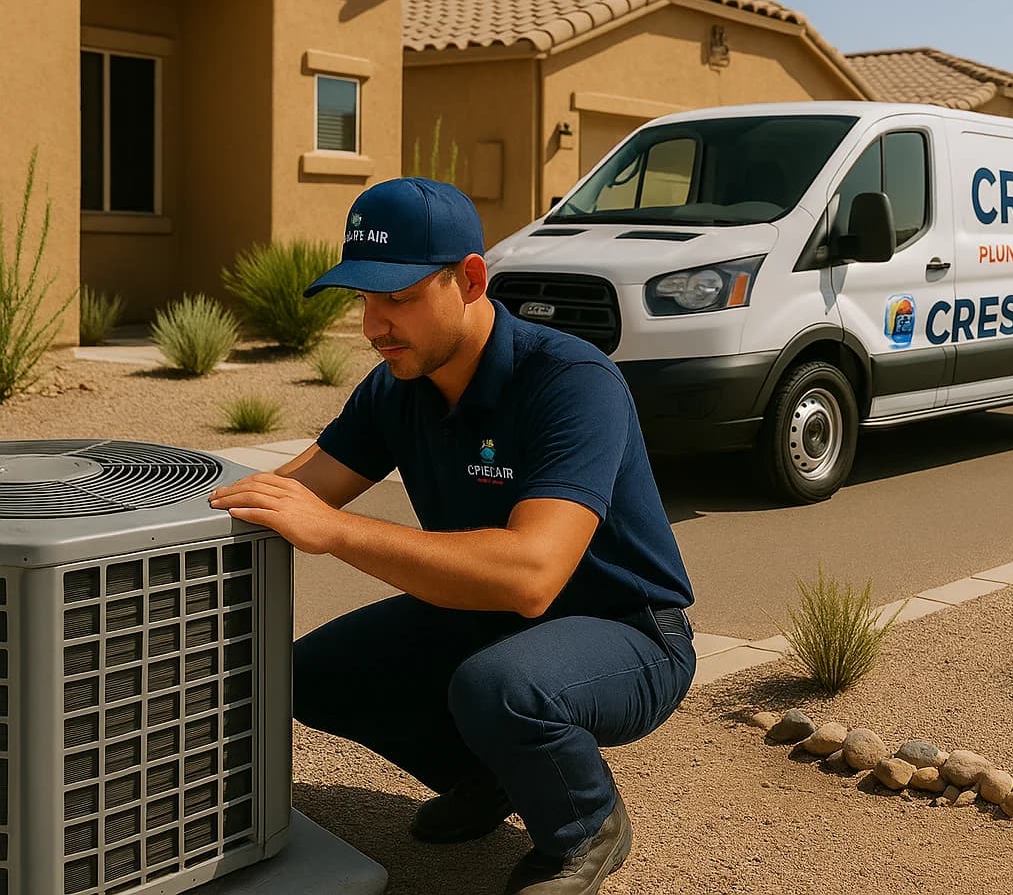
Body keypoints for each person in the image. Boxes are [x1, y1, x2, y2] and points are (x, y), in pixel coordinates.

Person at [209, 177, 696, 895]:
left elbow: (532, 576)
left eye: (398, 297)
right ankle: (492, 777)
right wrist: (142, 526)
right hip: (485, 617)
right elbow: (291, 492)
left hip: (627, 632)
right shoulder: (396, 386)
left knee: (499, 687)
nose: (373, 326)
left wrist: (334, 532)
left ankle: (586, 824)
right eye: (364, 298)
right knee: (307, 675)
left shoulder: (569, 381)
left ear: (470, 280)